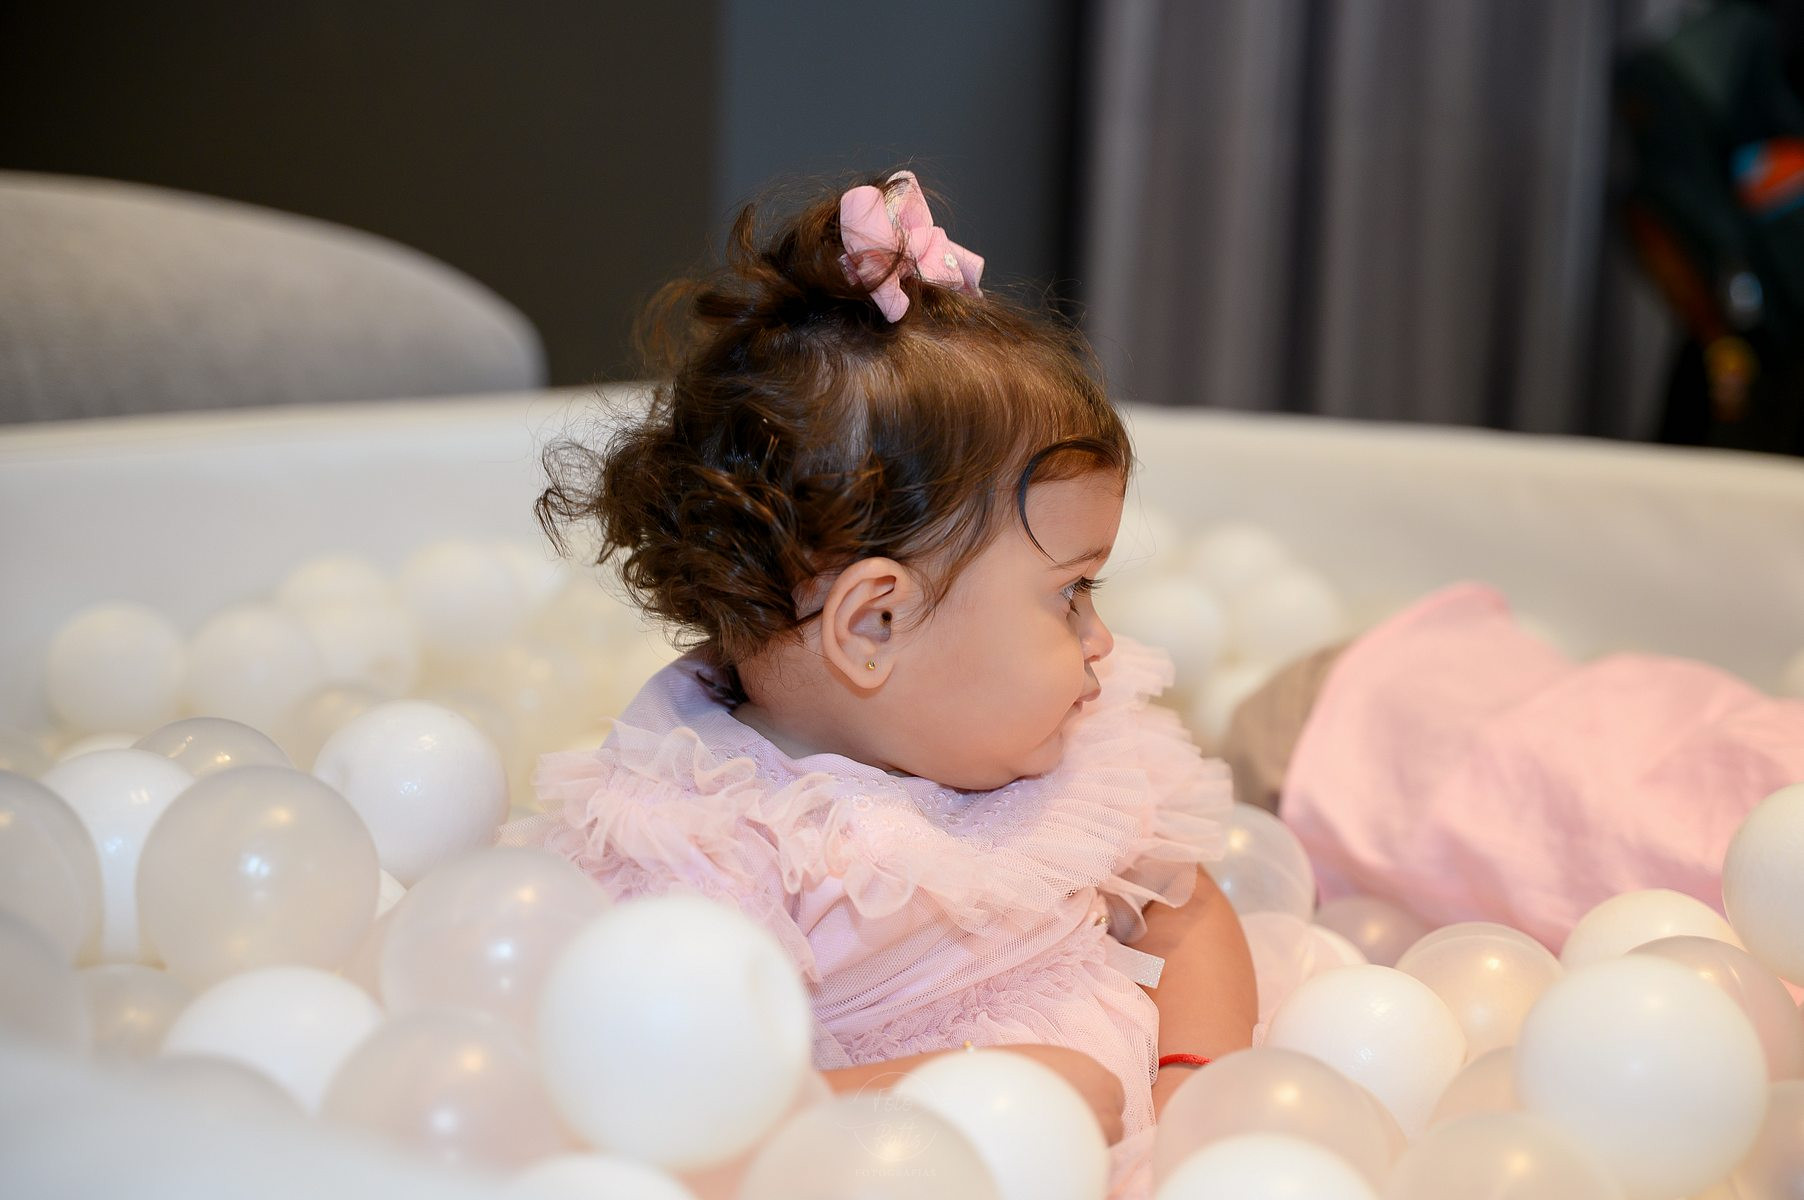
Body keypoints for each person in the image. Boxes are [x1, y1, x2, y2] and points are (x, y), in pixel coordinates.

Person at [508, 170, 1257, 1196]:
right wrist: (965, 1093)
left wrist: (1198, 1089)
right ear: (875, 624)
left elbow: (1185, 911)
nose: (1102, 642)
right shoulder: (716, 851)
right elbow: (682, 1114)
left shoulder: (1064, 752)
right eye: (1070, 594)